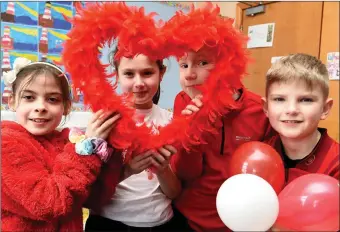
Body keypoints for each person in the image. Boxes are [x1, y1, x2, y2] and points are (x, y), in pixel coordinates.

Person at [1, 57, 121, 231]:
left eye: (52, 99)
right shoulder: (6, 144)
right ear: (11, 101)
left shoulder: (67, 141)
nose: (40, 106)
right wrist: (86, 148)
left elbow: (95, 198)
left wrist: (111, 151)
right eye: (29, 97)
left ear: (66, 106)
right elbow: (49, 204)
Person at [85, 49, 181, 231]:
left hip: (159, 222)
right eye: (129, 74)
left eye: (147, 73)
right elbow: (87, 188)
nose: (139, 83)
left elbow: (174, 192)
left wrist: (162, 170)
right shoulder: (104, 121)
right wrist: (127, 170)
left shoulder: (171, 122)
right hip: (108, 224)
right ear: (117, 75)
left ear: (161, 73)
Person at [262, 53, 339, 183]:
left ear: (325, 109)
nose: (291, 109)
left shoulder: (335, 164)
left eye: (306, 100)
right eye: (279, 99)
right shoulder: (260, 154)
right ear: (266, 107)